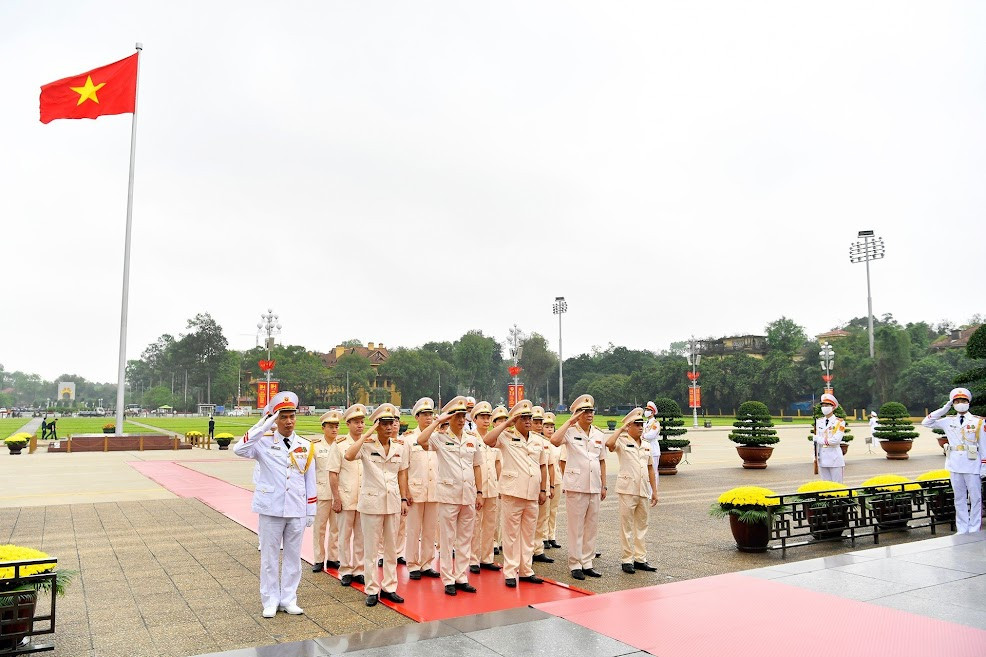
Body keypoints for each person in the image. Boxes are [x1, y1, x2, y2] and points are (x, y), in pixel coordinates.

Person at [232, 391, 315, 618]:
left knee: (293, 558)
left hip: (296, 508)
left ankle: (288, 599)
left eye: (291, 417)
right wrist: (263, 424)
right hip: (271, 508)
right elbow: (239, 449)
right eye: (283, 417)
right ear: (275, 420)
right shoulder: (263, 443)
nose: (288, 422)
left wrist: (311, 510)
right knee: (269, 558)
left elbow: (310, 480)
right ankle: (270, 600)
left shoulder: (306, 445)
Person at [416, 396, 484, 596]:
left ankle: (461, 577)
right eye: (457, 417)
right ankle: (448, 579)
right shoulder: (439, 437)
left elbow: (477, 467)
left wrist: (480, 492)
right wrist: (438, 421)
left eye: (464, 416)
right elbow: (421, 440)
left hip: (469, 495)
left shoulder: (472, 440)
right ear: (450, 418)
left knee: (465, 539)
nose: (462, 420)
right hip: (448, 495)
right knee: (447, 539)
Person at [345, 403, 409, 607]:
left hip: (392, 502)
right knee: (371, 549)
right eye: (384, 424)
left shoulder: (400, 446)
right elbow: (348, 455)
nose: (390, 427)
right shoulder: (366, 445)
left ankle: (390, 587)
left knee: (391, 549)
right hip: (371, 503)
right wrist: (367, 434)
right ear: (377, 425)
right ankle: (372, 589)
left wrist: (404, 499)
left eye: (392, 423)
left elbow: (402, 473)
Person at [482, 399, 548, 587]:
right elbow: (488, 440)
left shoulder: (537, 439)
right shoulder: (506, 436)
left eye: (530, 418)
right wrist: (507, 423)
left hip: (533, 493)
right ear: (516, 419)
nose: (528, 421)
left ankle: (526, 570)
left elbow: (542, 466)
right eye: (523, 418)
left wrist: (543, 489)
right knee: (510, 535)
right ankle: (510, 571)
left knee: (528, 534)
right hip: (513, 492)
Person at [550, 394, 607, 580]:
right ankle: (575, 563)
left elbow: (602, 461)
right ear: (577, 414)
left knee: (592, 526)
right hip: (576, 486)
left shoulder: (599, 434)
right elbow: (554, 441)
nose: (589, 414)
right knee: (576, 527)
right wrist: (569, 421)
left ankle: (587, 562)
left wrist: (604, 485)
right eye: (585, 411)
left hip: (595, 486)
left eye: (591, 411)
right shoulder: (570, 431)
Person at [922, 388, 985, 533]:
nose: (960, 404)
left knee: (975, 498)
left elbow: (983, 446)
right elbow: (926, 422)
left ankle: (974, 528)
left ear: (968, 403)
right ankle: (962, 528)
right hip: (955, 464)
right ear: (953, 404)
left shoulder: (978, 422)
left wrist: (984, 466)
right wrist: (945, 408)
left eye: (963, 401)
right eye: (957, 401)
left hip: (972, 464)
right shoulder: (947, 420)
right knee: (959, 498)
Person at [606, 408, 659, 573]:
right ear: (629, 426)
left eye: (641, 424)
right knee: (626, 526)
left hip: (643, 489)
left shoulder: (646, 445)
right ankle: (627, 560)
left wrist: (654, 491)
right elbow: (609, 444)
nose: (640, 427)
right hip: (627, 489)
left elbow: (651, 468)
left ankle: (640, 559)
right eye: (636, 424)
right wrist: (621, 429)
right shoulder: (622, 441)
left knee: (642, 526)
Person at [402, 397, 441, 580]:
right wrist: (406, 492)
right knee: (413, 530)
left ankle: (426, 563)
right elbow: (404, 469)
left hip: (434, 491)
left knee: (430, 530)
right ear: (416, 417)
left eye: (430, 415)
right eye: (424, 415)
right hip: (415, 492)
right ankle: (412, 564)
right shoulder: (409, 440)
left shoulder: (438, 439)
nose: (428, 418)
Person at [330, 404, 366, 587]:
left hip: (364, 498)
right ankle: (345, 569)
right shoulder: (340, 445)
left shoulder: (368, 443)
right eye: (356, 422)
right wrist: (336, 498)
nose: (360, 426)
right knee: (344, 536)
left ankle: (359, 569)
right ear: (348, 424)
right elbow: (333, 473)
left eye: (362, 422)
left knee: (361, 536)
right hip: (345, 497)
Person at [469, 401, 502, 574]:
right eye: (482, 417)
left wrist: (498, 483)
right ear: (474, 419)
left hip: (492, 486)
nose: (486, 420)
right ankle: (473, 559)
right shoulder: (470, 438)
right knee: (475, 525)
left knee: (490, 524)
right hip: (477, 488)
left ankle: (487, 557)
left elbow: (498, 464)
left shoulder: (494, 439)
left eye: (488, 417)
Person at [312, 410, 341, 573]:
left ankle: (333, 558)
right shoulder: (315, 447)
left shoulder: (341, 444)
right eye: (331, 427)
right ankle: (318, 559)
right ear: (323, 428)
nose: (334, 430)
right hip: (322, 492)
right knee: (319, 528)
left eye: (336, 426)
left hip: (337, 493)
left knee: (336, 528)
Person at [531, 406, 556, 564]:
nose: (539, 425)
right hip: (530, 485)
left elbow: (551, 465)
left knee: (542, 518)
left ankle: (538, 549)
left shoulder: (545, 442)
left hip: (543, 485)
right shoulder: (524, 439)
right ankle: (527, 550)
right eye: (536, 422)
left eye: (542, 422)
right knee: (529, 521)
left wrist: (551, 486)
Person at [490, 405, 509, 556]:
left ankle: (502, 541)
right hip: (495, 482)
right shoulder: (492, 439)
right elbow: (497, 464)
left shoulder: (513, 437)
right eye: (499, 421)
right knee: (494, 515)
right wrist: (498, 483)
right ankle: (493, 541)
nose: (503, 423)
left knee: (506, 514)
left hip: (511, 482)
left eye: (505, 420)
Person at [814, 393, 845, 483]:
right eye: (823, 405)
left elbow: (836, 440)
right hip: (822, 458)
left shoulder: (839, 422)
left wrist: (819, 439)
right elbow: (816, 443)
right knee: (826, 486)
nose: (824, 407)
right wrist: (815, 456)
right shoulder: (819, 421)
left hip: (834, 458)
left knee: (837, 486)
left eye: (827, 405)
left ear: (833, 407)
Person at [542, 412, 563, 550]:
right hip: (546, 480)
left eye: (552, 427)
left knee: (554, 510)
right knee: (544, 510)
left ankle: (551, 535)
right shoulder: (540, 442)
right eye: (547, 426)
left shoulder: (558, 444)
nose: (550, 429)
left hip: (557, 479)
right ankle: (543, 537)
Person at [642, 401, 662, 474]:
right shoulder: (645, 423)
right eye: (646, 410)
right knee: (646, 471)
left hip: (653, 449)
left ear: (653, 412)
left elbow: (651, 435)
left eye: (648, 410)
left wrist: (642, 435)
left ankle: (654, 486)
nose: (646, 411)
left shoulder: (655, 423)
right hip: (645, 448)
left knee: (653, 471)